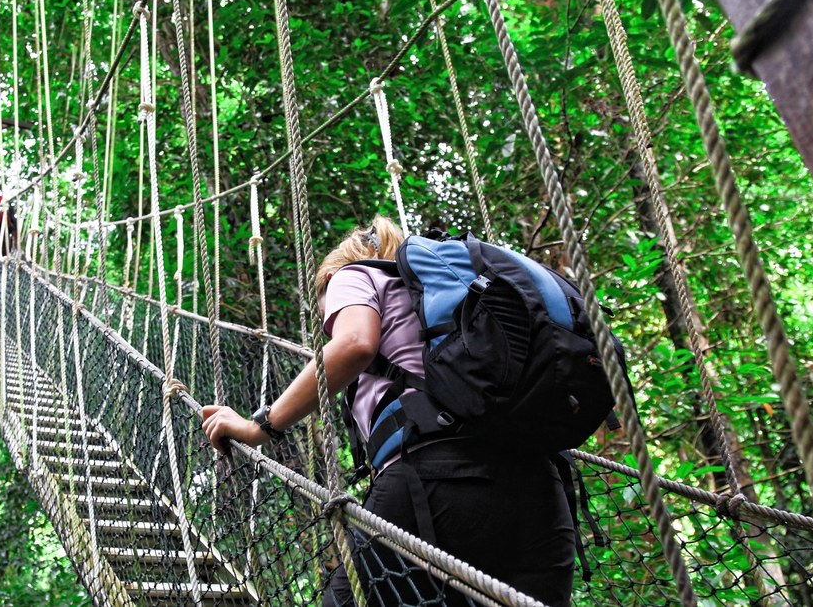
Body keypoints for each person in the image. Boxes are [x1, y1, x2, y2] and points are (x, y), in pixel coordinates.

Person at [199, 215, 575, 606]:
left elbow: (355, 344)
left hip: (436, 477)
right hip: (544, 490)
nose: (330, 324)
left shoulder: (352, 275)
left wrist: (261, 426)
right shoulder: (460, 294)